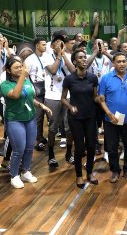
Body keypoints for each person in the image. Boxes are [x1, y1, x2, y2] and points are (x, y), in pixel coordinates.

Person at [0, 57, 52, 189]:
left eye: (21, 66)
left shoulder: (27, 80)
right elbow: (16, 95)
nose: (20, 69)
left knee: (29, 147)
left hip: (30, 118)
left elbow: (29, 97)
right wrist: (23, 76)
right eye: (16, 67)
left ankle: (25, 171)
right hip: (15, 120)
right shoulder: (5, 85)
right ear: (8, 70)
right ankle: (14, 175)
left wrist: (41, 105)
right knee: (19, 149)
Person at [99, 52, 127, 183]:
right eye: (119, 61)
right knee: (112, 147)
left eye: (124, 61)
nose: (122, 64)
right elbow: (101, 99)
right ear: (113, 63)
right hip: (111, 120)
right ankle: (115, 171)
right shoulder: (106, 78)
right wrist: (108, 113)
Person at [61, 50, 99, 188]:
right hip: (75, 118)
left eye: (85, 57)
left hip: (90, 116)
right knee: (80, 148)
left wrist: (98, 98)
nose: (84, 60)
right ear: (75, 62)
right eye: (80, 58)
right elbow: (63, 99)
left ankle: (89, 172)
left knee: (91, 146)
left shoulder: (93, 78)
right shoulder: (69, 79)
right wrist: (71, 107)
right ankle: (78, 175)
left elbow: (94, 96)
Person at [44, 34, 76, 167]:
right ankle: (51, 155)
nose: (60, 44)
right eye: (57, 42)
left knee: (69, 129)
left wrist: (63, 55)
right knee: (53, 128)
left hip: (67, 96)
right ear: (52, 46)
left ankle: (69, 153)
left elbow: (73, 71)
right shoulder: (46, 56)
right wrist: (58, 54)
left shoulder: (66, 56)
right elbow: (53, 70)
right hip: (52, 97)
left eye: (62, 42)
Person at [24, 38, 50, 151]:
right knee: (38, 117)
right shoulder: (29, 59)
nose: (45, 46)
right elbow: (25, 76)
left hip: (47, 87)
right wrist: (31, 88)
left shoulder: (47, 57)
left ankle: (42, 136)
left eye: (45, 44)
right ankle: (37, 140)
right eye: (43, 45)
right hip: (36, 88)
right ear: (37, 46)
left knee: (49, 114)